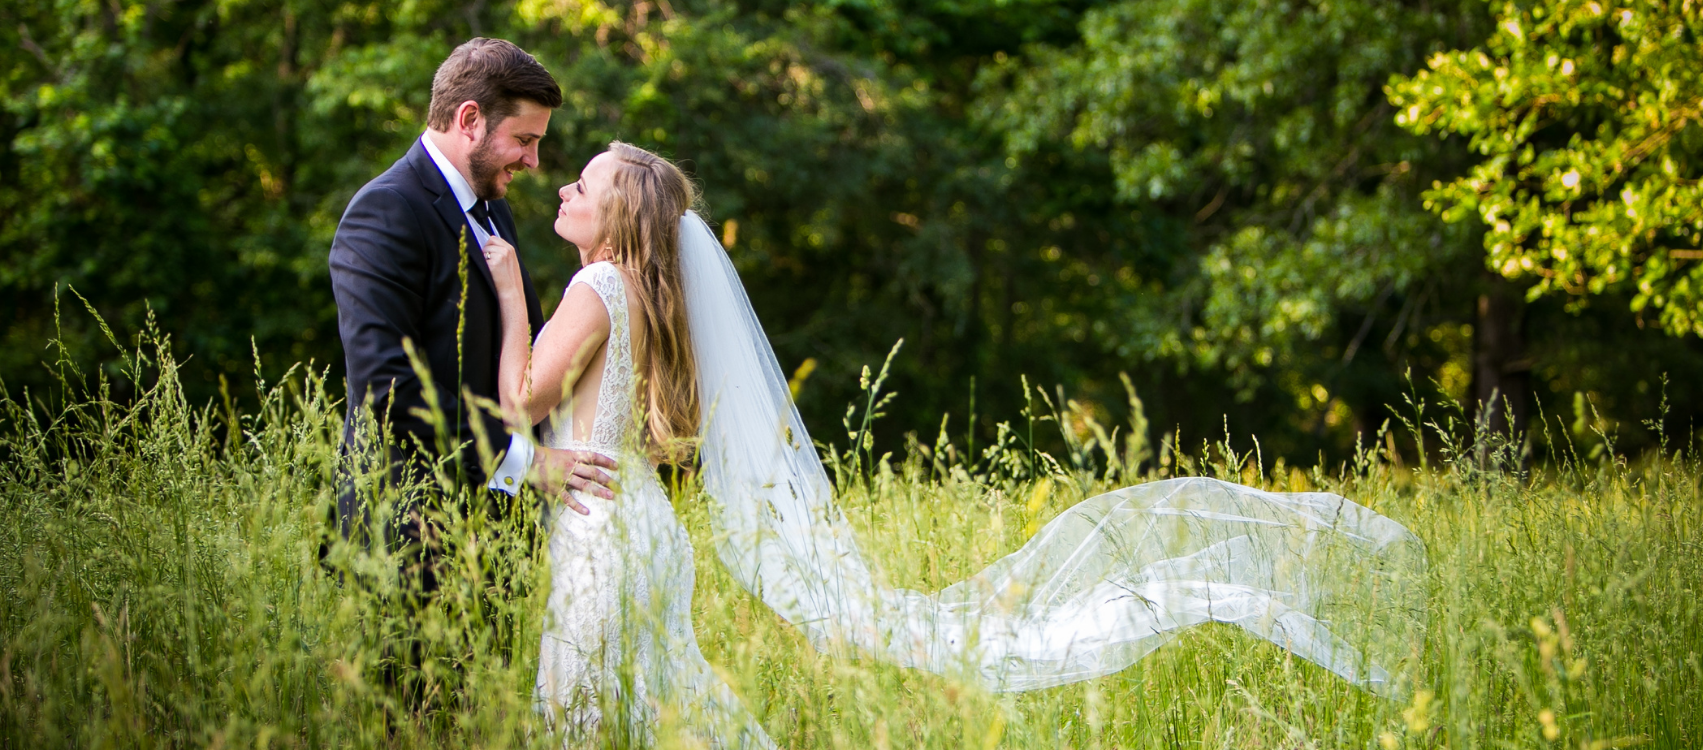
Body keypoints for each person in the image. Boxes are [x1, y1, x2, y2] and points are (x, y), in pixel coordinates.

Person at [483, 142, 1429, 746]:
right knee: (647, 717)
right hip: (638, 529)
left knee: (585, 719)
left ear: (620, 220)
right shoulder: (638, 298)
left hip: (604, 532)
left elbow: (522, 399)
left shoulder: (589, 290)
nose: (564, 184)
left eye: (587, 183)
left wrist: (509, 289)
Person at [326, 38, 618, 710]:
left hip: (492, 540)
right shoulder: (385, 214)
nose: (534, 161)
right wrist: (525, 461)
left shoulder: (493, 207)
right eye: (524, 139)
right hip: (407, 539)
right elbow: (384, 389)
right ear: (468, 120)